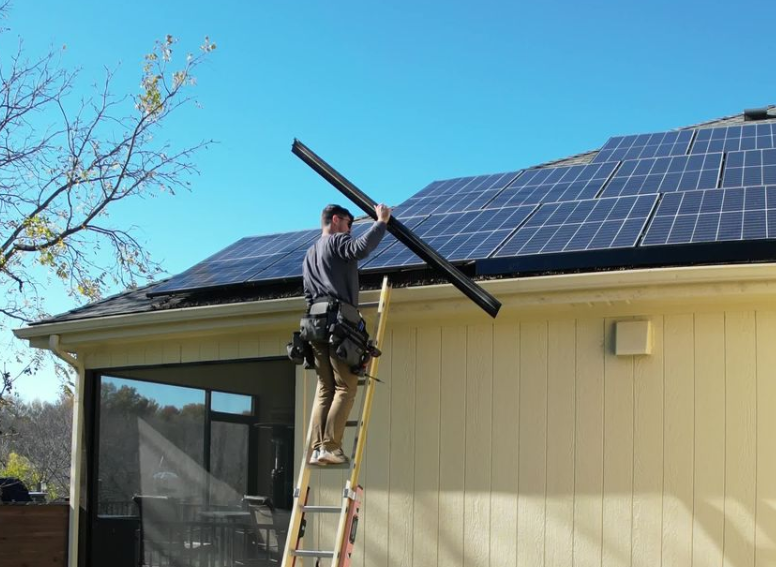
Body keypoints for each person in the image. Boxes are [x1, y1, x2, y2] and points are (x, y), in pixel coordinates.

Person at [302, 203, 391, 465]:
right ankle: (330, 447)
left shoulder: (309, 254)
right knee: (345, 386)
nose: (350, 230)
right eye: (349, 224)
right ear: (336, 220)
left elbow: (307, 294)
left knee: (325, 388)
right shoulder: (337, 241)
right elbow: (360, 248)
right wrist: (381, 222)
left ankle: (317, 448)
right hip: (338, 323)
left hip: (314, 325)